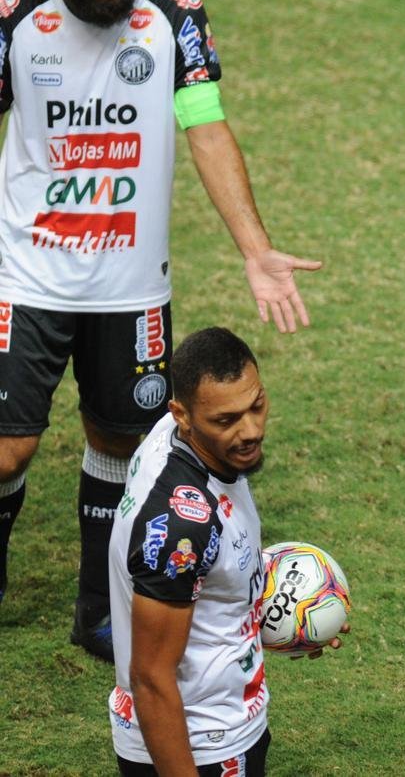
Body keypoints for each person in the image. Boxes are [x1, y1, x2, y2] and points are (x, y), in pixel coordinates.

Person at [0, 0, 322, 661]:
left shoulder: (173, 12)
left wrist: (255, 249)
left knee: (118, 442)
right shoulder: (16, 16)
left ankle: (96, 609)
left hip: (132, 287)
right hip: (25, 275)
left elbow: (204, 126)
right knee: (8, 449)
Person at [107, 327, 344, 775]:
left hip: (228, 719)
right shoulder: (184, 527)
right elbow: (152, 680)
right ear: (182, 415)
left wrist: (290, 617)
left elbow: (208, 587)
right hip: (204, 743)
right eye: (226, 420)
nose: (250, 430)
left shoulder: (181, 440)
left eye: (257, 406)